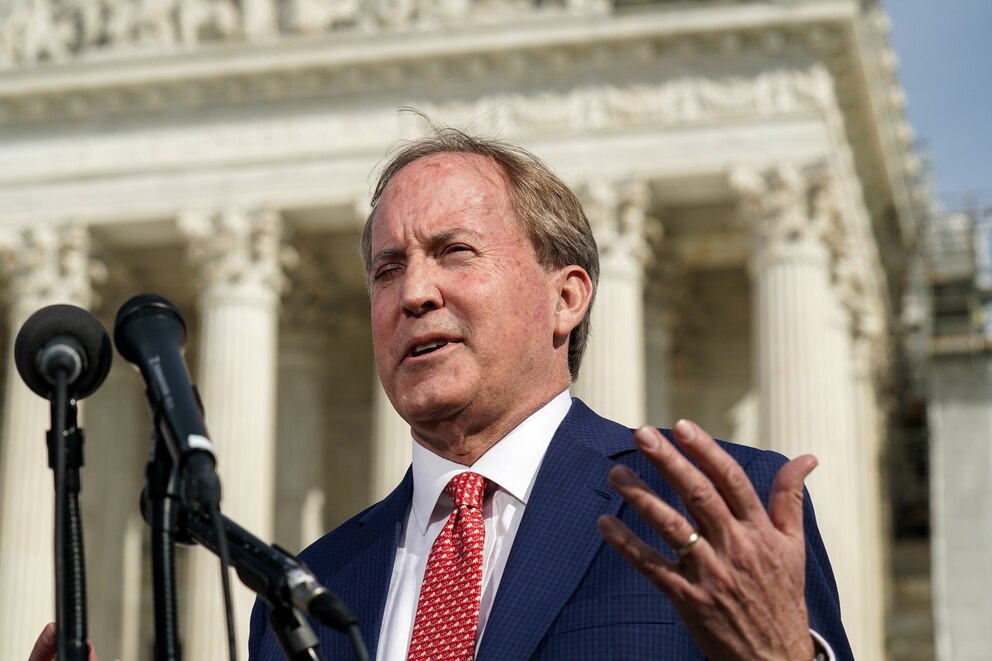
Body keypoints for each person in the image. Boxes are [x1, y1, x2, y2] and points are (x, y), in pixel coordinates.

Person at [247, 125, 852, 661]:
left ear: (565, 299)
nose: (414, 293)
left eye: (454, 252)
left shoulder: (719, 511)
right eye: (387, 269)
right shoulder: (307, 590)